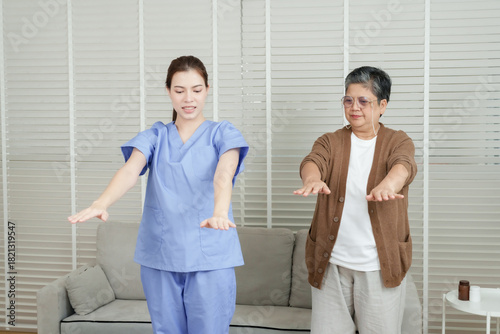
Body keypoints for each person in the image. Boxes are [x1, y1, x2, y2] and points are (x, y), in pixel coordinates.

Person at [68, 55, 249, 334]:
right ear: (168, 92)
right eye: (179, 90)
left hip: (211, 257)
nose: (188, 99)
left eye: (197, 90)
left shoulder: (223, 133)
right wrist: (100, 202)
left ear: (207, 90)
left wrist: (220, 211)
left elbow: (224, 173)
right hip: (161, 257)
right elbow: (130, 170)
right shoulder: (156, 135)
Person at [294, 66, 417, 334]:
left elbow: (404, 165)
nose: (354, 108)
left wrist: (388, 184)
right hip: (332, 265)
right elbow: (313, 161)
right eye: (348, 100)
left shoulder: (398, 140)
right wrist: (311, 179)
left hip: (378, 267)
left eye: (364, 101)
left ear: (382, 105)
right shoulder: (331, 141)